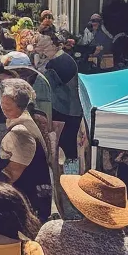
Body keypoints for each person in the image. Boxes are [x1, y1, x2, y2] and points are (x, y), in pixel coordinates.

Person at [0, 79, 54, 223]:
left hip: (27, 198)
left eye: (8, 108)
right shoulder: (27, 119)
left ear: (21, 106)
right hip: (31, 196)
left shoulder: (21, 132)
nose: (3, 110)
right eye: (2, 105)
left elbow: (13, 172)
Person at [45, 32, 83, 163]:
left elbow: (48, 85)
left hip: (67, 109)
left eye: (46, 46)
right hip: (68, 108)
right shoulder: (63, 59)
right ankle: (68, 174)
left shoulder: (60, 62)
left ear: (55, 45)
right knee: (68, 146)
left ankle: (71, 176)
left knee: (68, 146)